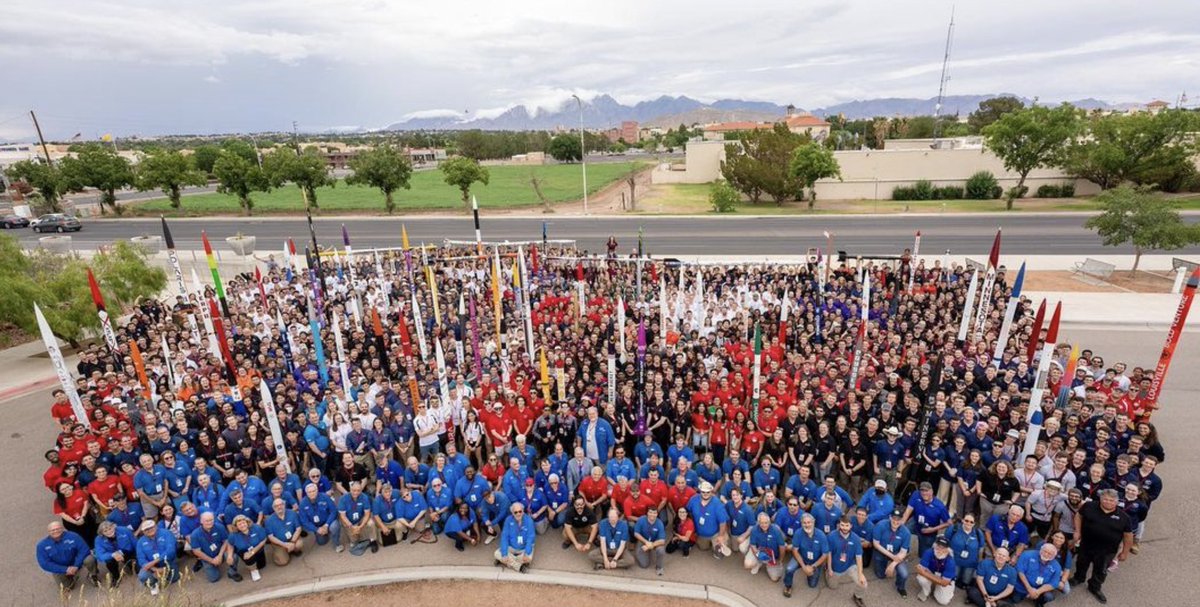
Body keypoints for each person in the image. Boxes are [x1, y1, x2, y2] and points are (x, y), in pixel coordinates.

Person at [1071, 488, 1133, 604]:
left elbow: (1128, 536)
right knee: (1081, 563)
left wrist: (1125, 552)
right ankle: (1078, 578)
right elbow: (1078, 516)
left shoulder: (1124, 518)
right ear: (1100, 498)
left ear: (1116, 502)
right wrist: (1077, 531)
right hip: (1086, 545)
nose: (1107, 502)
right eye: (1105, 499)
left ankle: (1094, 587)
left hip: (1107, 551)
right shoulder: (1089, 506)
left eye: (1111, 500)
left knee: (1101, 571)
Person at [36, 521, 99, 591]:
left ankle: (92, 575)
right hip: (60, 567)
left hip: (76, 562)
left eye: (58, 529)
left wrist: (76, 565)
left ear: (62, 529)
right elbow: (45, 563)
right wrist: (65, 569)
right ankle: (72, 578)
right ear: (48, 532)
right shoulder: (42, 545)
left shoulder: (73, 536)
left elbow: (84, 549)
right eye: (53, 530)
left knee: (90, 559)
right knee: (67, 588)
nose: (56, 531)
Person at [826, 516, 869, 607]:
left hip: (850, 565)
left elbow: (858, 557)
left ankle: (857, 596)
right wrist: (829, 569)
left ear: (851, 526)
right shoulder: (831, 536)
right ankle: (825, 571)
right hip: (835, 567)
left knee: (863, 583)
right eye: (842, 525)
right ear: (839, 525)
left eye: (847, 525)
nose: (844, 528)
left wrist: (860, 574)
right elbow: (829, 553)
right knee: (832, 587)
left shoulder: (856, 538)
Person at [903, 481, 952, 556]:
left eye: (926, 491)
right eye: (922, 490)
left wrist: (932, 529)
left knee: (923, 554)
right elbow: (908, 510)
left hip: (928, 530)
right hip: (915, 521)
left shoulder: (939, 506)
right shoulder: (916, 494)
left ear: (931, 491)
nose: (924, 493)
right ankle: (904, 551)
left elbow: (949, 522)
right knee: (903, 531)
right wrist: (901, 524)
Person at [188, 511, 239, 583]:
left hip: (220, 552)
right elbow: (196, 551)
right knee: (213, 578)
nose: (209, 522)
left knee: (233, 557)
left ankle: (232, 572)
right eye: (207, 521)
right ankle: (210, 565)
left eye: (211, 520)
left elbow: (226, 541)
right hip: (207, 556)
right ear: (201, 521)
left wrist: (220, 556)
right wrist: (211, 561)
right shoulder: (195, 534)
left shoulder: (219, 527)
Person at [784, 513, 828, 595]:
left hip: (815, 561)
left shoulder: (821, 535)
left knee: (812, 585)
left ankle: (817, 571)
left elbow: (825, 555)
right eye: (804, 523)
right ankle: (788, 586)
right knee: (789, 569)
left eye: (809, 522)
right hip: (801, 558)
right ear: (801, 523)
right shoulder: (798, 533)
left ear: (813, 522)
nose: (807, 525)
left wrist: (813, 566)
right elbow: (795, 550)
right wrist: (804, 567)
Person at [686, 481, 731, 558]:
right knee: (703, 548)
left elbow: (723, 522)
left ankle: (723, 539)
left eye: (707, 492)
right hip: (701, 534)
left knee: (720, 554)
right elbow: (688, 512)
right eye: (703, 492)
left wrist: (720, 536)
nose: (705, 494)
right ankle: (709, 543)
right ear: (700, 491)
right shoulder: (693, 500)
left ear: (711, 491)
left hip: (715, 533)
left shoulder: (717, 503)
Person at [136, 519, 179, 595]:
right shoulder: (140, 542)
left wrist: (155, 561)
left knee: (174, 579)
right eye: (146, 529)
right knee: (142, 575)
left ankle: (165, 575)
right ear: (143, 532)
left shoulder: (166, 533)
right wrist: (155, 569)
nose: (149, 530)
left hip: (168, 561)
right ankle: (153, 584)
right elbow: (141, 560)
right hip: (153, 566)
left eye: (151, 527)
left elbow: (171, 551)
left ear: (156, 526)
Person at [1012, 542, 1063, 606]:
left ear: (1053, 556)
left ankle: (1038, 601)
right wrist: (1029, 589)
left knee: (1049, 597)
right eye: (1045, 551)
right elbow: (1020, 571)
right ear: (1041, 550)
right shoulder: (1027, 555)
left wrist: (1037, 592)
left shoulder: (1057, 566)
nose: (1046, 554)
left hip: (1040, 590)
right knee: (1015, 599)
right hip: (1023, 585)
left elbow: (1054, 583)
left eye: (1049, 554)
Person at [337, 481, 379, 554]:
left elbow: (367, 514)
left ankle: (373, 541)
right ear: (350, 489)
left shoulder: (364, 497)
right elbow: (342, 516)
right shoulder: (343, 499)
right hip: (349, 521)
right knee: (354, 541)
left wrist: (361, 526)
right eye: (354, 490)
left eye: (358, 490)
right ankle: (358, 538)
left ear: (361, 490)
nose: (356, 493)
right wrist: (352, 526)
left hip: (360, 518)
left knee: (371, 523)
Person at [744, 511, 786, 583]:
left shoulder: (776, 530)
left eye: (766, 523)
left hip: (772, 556)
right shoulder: (754, 529)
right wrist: (757, 555)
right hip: (759, 551)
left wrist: (780, 560)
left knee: (775, 578)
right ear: (758, 523)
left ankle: (768, 565)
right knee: (747, 564)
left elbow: (782, 547)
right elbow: (753, 545)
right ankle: (759, 563)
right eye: (761, 523)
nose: (764, 525)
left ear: (769, 522)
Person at [945, 513, 985, 588]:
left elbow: (981, 548)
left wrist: (979, 561)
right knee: (953, 579)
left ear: (974, 524)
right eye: (966, 520)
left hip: (970, 563)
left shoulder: (978, 533)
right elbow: (946, 541)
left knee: (966, 582)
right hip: (955, 561)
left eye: (971, 522)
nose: (968, 523)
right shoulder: (954, 528)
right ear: (962, 520)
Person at [915, 536, 958, 605]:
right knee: (921, 578)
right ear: (935, 545)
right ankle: (926, 591)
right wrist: (936, 578)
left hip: (944, 579)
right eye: (938, 546)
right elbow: (919, 570)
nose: (939, 549)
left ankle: (941, 590)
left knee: (943, 601)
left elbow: (944, 583)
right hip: (933, 573)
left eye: (943, 547)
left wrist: (925, 573)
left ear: (948, 549)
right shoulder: (929, 552)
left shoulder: (950, 561)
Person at [494, 502, 536, 572]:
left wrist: (526, 553)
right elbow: (504, 537)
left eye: (520, 511)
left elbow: (530, 538)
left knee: (528, 558)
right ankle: (519, 567)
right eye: (515, 512)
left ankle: (506, 561)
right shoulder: (508, 520)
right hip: (512, 547)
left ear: (523, 511)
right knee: (496, 553)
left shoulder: (529, 521)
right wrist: (504, 554)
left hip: (524, 548)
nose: (518, 514)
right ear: (512, 513)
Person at [94, 520, 137, 587]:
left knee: (137, 569)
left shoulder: (124, 530)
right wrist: (112, 555)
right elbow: (100, 555)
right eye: (105, 531)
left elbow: (135, 543)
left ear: (113, 526)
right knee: (109, 562)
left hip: (126, 551)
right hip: (112, 555)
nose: (109, 532)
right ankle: (116, 576)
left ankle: (130, 566)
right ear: (102, 533)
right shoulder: (98, 539)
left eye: (110, 528)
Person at [298, 482, 340, 550]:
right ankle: (325, 532)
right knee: (322, 542)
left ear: (317, 490)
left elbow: (333, 511)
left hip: (328, 522)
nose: (312, 493)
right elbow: (304, 521)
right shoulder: (302, 503)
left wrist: (326, 525)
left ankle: (336, 543)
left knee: (334, 526)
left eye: (313, 491)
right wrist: (316, 529)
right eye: (309, 492)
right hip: (317, 526)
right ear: (306, 493)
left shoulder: (325, 497)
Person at [228, 514, 269, 582]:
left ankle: (254, 564)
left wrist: (252, 552)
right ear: (236, 527)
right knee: (247, 556)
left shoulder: (256, 528)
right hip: (244, 552)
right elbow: (230, 544)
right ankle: (253, 570)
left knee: (261, 566)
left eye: (243, 523)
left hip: (257, 549)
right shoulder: (233, 535)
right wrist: (229, 555)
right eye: (239, 524)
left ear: (247, 522)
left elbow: (264, 540)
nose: (242, 525)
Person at [264, 497, 304, 566]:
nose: (279, 507)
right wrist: (284, 545)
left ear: (284, 505)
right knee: (282, 562)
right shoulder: (268, 520)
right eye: (276, 506)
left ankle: (293, 550)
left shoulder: (292, 513)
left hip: (292, 539)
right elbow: (271, 537)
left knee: (299, 544)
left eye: (281, 504)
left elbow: (298, 528)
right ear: (273, 508)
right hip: (279, 543)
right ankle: (280, 552)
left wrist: (292, 542)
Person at [632, 507, 667, 575]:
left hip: (655, 542)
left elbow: (662, 541)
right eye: (650, 512)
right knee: (644, 565)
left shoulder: (660, 523)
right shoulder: (641, 520)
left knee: (661, 550)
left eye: (654, 513)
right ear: (647, 513)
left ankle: (659, 567)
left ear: (657, 514)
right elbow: (636, 533)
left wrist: (651, 545)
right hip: (643, 540)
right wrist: (646, 542)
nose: (652, 515)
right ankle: (644, 552)